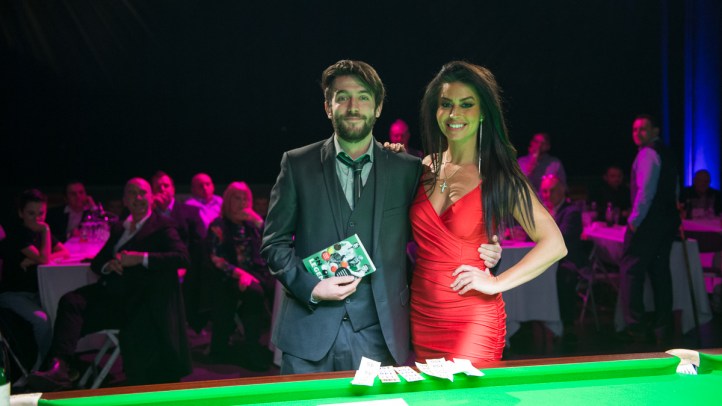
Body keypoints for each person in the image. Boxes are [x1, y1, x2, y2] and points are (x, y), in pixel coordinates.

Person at [260, 60, 422, 374]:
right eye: (342, 97)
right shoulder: (297, 164)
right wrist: (311, 287)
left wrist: (488, 253)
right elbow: (273, 244)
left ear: (377, 108)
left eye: (363, 97)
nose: (353, 106)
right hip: (307, 334)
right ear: (328, 107)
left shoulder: (407, 170)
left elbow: (432, 237)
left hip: (380, 335)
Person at [411, 61, 566, 363]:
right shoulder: (423, 167)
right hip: (423, 315)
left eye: (466, 104)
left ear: (483, 112)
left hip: (472, 318)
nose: (454, 114)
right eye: (446, 104)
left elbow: (554, 244)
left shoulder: (498, 174)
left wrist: (496, 282)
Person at [27, 178, 191, 390]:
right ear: (125, 200)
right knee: (71, 301)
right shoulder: (120, 227)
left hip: (140, 303)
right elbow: (97, 263)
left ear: (151, 197)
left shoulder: (162, 225)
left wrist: (140, 258)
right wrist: (109, 265)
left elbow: (182, 258)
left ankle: (69, 369)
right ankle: (61, 367)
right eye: (132, 193)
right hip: (114, 299)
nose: (138, 198)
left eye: (142, 193)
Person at [620, 114, 679, 344]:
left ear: (655, 131)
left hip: (648, 222)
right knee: (659, 272)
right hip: (666, 222)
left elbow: (646, 191)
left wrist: (634, 221)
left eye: (642, 129)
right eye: (634, 129)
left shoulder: (647, 154)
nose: (637, 133)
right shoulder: (667, 153)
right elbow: (674, 188)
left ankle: (635, 326)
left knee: (631, 270)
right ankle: (662, 325)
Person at [205, 182, 273, 370]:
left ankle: (272, 346)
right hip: (227, 276)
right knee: (255, 293)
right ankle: (251, 349)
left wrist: (258, 222)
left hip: (255, 273)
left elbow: (273, 242)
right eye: (237, 198)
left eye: (245, 199)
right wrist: (239, 274)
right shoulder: (218, 225)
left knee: (278, 288)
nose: (242, 203)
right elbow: (215, 258)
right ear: (228, 200)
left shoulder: (251, 225)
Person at [0, 189, 69, 371]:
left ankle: (56, 362)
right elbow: (44, 259)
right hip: (13, 294)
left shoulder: (39, 232)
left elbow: (64, 251)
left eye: (41, 213)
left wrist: (35, 259)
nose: (37, 219)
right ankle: (45, 367)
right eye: (31, 213)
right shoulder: (19, 233)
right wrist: (45, 232)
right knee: (42, 321)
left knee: (62, 313)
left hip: (36, 293)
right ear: (20, 213)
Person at [150, 170, 208, 332]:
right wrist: (151, 208)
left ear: (173, 189)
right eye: (158, 187)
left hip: (185, 265)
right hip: (154, 264)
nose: (162, 189)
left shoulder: (190, 212)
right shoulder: (146, 213)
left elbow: (200, 244)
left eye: (166, 185)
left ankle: (188, 326)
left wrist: (184, 266)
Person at [539, 174, 586, 339]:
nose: (547, 195)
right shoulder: (545, 211)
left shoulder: (571, 212)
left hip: (566, 261)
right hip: (548, 260)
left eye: (551, 191)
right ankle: (534, 320)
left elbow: (561, 239)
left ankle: (567, 324)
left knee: (564, 275)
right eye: (544, 191)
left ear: (562, 191)